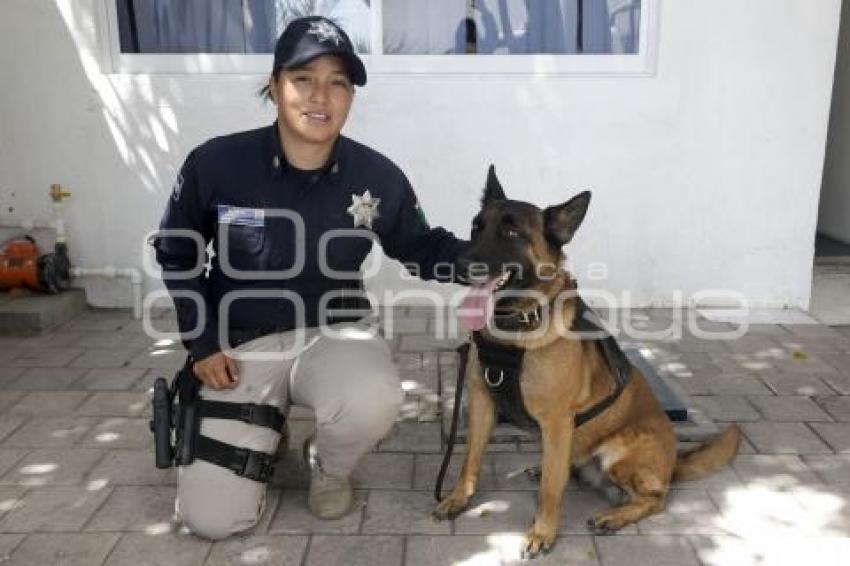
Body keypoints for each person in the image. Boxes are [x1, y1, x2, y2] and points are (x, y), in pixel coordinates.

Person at [151, 16, 468, 540]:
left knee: (374, 397)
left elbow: (420, 246)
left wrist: (487, 265)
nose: (321, 95)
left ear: (350, 96)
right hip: (238, 347)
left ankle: (328, 464)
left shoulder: (377, 176)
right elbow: (177, 252)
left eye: (338, 82)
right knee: (213, 522)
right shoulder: (215, 163)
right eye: (304, 78)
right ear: (275, 86)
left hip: (335, 333)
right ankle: (258, 426)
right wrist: (202, 342)